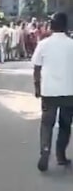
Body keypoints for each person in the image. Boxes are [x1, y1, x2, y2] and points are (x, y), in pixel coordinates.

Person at [30, 12, 73, 171]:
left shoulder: (44, 44)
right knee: (65, 124)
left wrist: (37, 88)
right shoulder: (72, 44)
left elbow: (36, 67)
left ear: (52, 26)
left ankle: (45, 150)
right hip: (69, 91)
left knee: (47, 123)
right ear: (66, 26)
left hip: (49, 92)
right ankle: (61, 156)